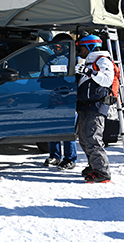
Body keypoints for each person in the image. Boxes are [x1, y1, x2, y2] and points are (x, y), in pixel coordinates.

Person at [75, 35, 114, 183]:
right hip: (86, 105)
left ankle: (102, 172)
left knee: (93, 139)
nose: (79, 51)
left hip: (97, 105)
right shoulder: (88, 62)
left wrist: (90, 72)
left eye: (81, 48)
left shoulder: (102, 60)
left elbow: (107, 80)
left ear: (90, 46)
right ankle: (93, 165)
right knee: (84, 139)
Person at [43, 33, 78, 170]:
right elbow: (43, 77)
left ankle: (70, 158)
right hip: (54, 98)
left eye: (58, 46)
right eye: (54, 46)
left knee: (68, 130)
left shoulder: (74, 59)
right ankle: (55, 155)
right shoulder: (51, 60)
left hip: (69, 99)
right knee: (53, 128)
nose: (56, 49)